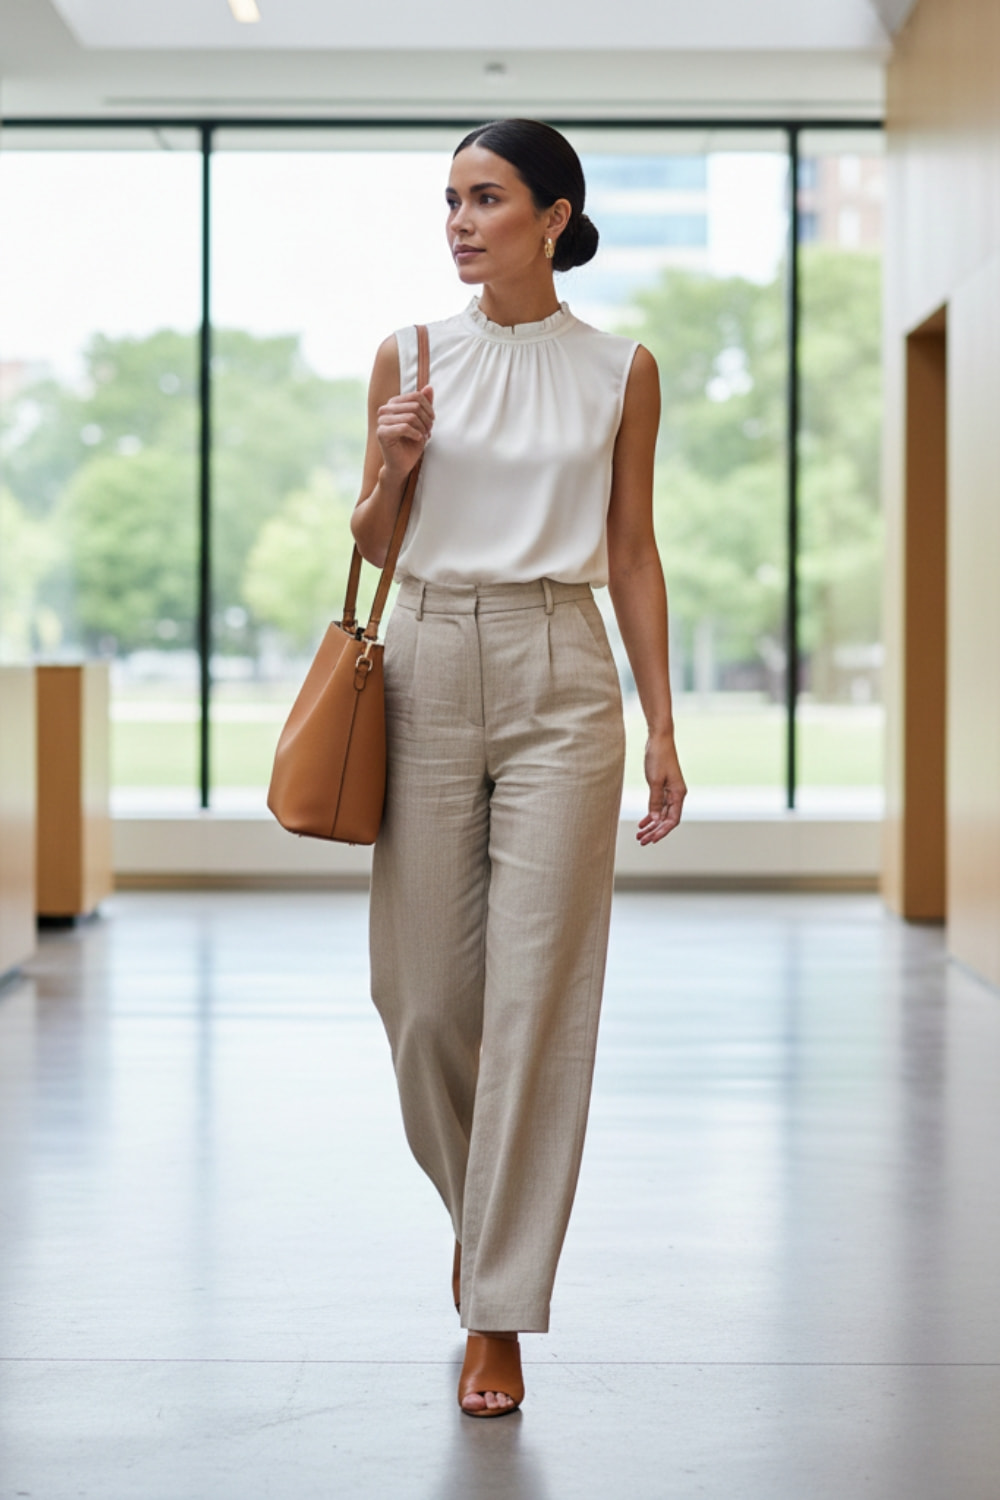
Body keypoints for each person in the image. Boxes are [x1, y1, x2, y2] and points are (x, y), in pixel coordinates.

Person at [350, 118, 686, 1418]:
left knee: (540, 997)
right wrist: (394, 465)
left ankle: (497, 1306)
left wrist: (662, 725)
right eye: (449, 201)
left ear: (554, 218)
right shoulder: (410, 353)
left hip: (563, 668)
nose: (459, 222)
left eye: (486, 199)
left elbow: (633, 549)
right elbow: (372, 541)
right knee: (425, 1001)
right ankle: (482, 1217)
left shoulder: (621, 370)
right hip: (428, 651)